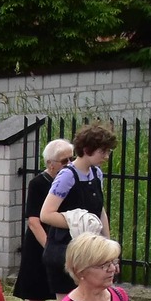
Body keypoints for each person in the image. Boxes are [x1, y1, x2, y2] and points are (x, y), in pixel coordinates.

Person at [12, 139, 73, 301]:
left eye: (72, 158)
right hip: (41, 244)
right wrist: (50, 248)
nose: (70, 164)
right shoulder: (38, 184)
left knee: (67, 293)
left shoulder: (71, 181)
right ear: (50, 164)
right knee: (36, 294)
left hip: (64, 242)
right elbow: (33, 221)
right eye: (64, 160)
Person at [38, 122, 115, 289]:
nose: (106, 156)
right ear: (87, 150)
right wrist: (78, 222)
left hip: (89, 250)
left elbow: (99, 210)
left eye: (108, 151)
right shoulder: (67, 176)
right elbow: (46, 214)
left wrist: (107, 245)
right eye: (103, 151)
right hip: (65, 250)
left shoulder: (96, 173)